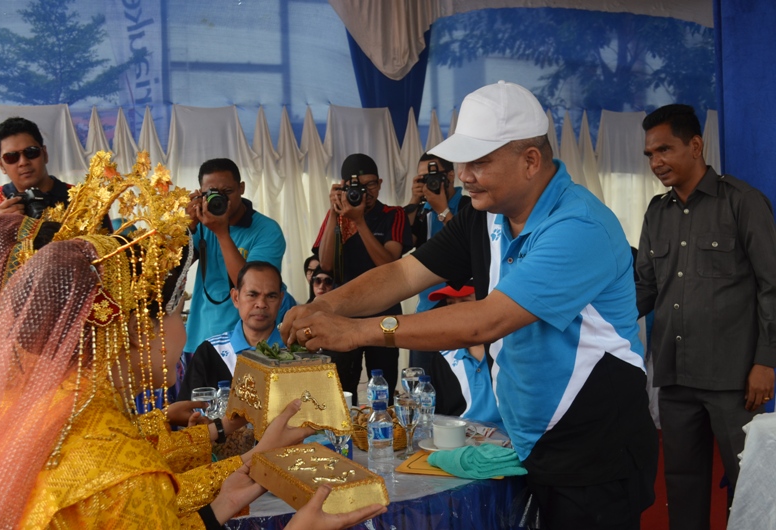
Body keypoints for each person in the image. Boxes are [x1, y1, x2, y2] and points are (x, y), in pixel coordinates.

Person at [284, 81, 657, 529]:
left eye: (479, 162)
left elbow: (486, 321)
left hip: (595, 449)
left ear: (530, 161)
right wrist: (327, 307)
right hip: (524, 439)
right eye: (462, 161)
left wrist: (359, 330)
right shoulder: (484, 216)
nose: (463, 175)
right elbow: (404, 273)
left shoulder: (579, 225)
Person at [0, 154, 386, 529]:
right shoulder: (123, 472)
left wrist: (226, 475)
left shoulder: (52, 403)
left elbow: (158, 509)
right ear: (133, 328)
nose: (182, 327)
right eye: (178, 308)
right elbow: (144, 488)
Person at [636, 104, 776, 529]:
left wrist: (766, 361)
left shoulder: (743, 202)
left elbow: (772, 286)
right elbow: (643, 289)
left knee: (751, 485)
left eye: (665, 150)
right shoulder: (656, 214)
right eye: (650, 155)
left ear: (695, 145)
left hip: (735, 381)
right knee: (681, 487)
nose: (657, 162)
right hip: (675, 378)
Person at [182, 158, 294, 388]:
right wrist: (185, 227)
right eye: (212, 192)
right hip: (200, 338)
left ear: (241, 188)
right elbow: (172, 271)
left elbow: (254, 283)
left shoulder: (266, 230)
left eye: (228, 191)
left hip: (250, 342)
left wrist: (222, 233)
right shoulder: (201, 223)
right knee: (202, 417)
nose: (220, 198)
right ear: (200, 194)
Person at [312, 153, 412, 404]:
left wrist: (360, 223)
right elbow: (325, 265)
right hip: (343, 314)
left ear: (379, 184)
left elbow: (390, 265)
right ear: (344, 187)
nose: (365, 193)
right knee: (342, 393)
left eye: (371, 185)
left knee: (384, 390)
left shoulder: (393, 214)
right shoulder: (336, 217)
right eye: (357, 187)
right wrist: (335, 213)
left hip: (384, 313)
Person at [404, 153, 472, 381]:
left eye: (433, 177)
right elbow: (405, 244)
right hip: (426, 308)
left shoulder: (469, 205)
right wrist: (414, 202)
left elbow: (468, 246)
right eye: (422, 179)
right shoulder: (423, 211)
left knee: (454, 385)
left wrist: (443, 210)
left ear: (451, 176)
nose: (428, 184)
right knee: (419, 382)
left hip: (460, 309)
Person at [178, 261, 286, 401]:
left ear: (281, 300)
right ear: (235, 297)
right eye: (252, 295)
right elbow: (185, 412)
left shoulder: (295, 352)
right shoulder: (210, 351)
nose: (261, 304)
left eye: (271, 296)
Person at [426, 283, 504, 430]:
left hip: (510, 445)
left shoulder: (509, 352)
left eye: (465, 302)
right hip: (459, 442)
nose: (454, 311)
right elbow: (438, 415)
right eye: (450, 303)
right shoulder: (443, 357)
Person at [0, 117, 71, 224]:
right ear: (1, 165)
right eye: (11, 157)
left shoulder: (78, 198)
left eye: (31, 152)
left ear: (45, 154)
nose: (23, 162)